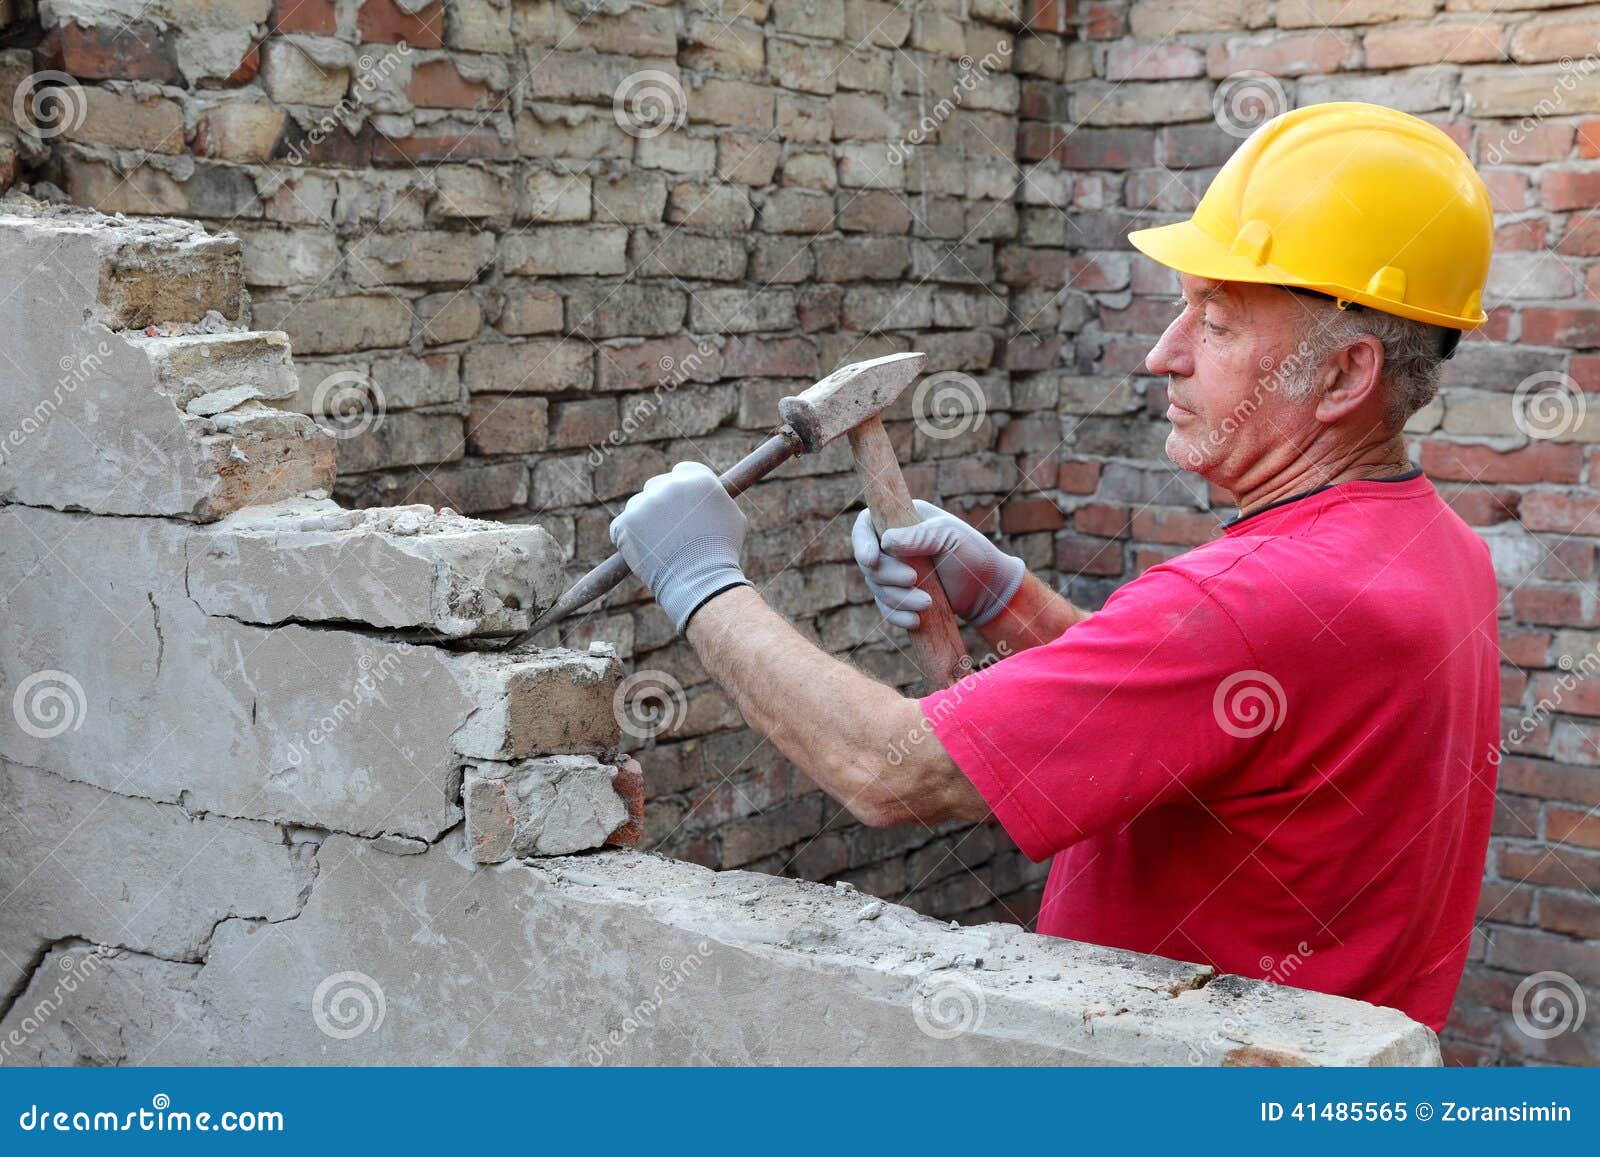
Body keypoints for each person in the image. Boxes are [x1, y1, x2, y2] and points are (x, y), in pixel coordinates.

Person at [605, 103, 1500, 1032]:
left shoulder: (1260, 597)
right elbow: (1204, 719)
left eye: (1219, 323)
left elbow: (888, 770)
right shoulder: (1441, 552)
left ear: (1346, 377)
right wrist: (1006, 598)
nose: (1165, 354)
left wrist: (700, 578)